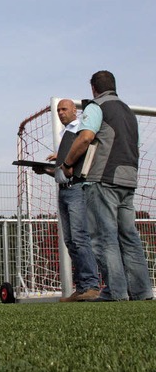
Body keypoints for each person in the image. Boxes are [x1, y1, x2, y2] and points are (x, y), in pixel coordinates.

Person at [62, 70, 153, 301]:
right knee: (129, 237)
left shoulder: (96, 107)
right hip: (128, 179)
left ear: (93, 88)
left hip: (104, 179)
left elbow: (85, 138)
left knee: (104, 237)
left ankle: (116, 291)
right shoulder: (128, 113)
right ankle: (142, 292)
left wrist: (68, 162)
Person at [33, 99, 100, 302]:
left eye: (64, 109)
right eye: (58, 110)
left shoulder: (80, 128)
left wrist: (65, 162)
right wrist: (46, 170)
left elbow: (77, 162)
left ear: (74, 110)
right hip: (63, 189)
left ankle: (91, 285)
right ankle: (82, 287)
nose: (61, 113)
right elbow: (63, 170)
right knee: (70, 240)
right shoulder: (63, 135)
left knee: (79, 237)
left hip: (77, 188)